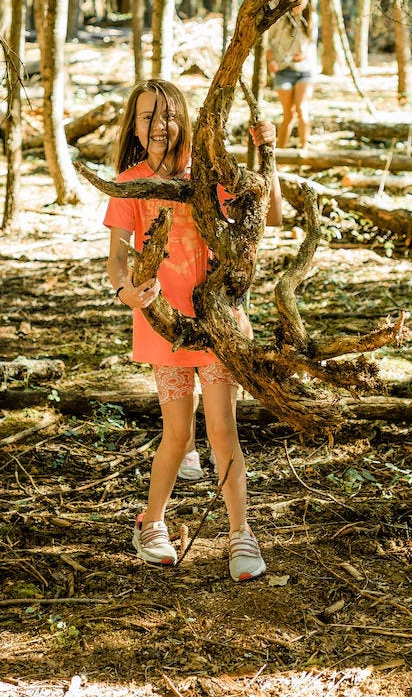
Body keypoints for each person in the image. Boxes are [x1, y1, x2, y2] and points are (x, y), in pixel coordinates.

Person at [105, 78, 282, 581]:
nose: (158, 125)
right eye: (145, 117)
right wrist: (126, 291)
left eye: (166, 114)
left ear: (183, 118)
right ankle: (151, 523)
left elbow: (269, 213)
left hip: (218, 323)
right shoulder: (130, 180)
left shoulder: (208, 172)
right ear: (134, 128)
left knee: (223, 432)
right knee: (178, 433)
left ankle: (240, 534)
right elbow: (118, 258)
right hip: (163, 324)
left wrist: (268, 154)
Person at [265, 0, 316, 149]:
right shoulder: (279, 19)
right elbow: (268, 43)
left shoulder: (311, 19)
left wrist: (304, 55)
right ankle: (281, 152)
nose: (299, 1)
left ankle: (304, 149)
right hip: (283, 70)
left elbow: (312, 44)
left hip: (305, 71)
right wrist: (271, 61)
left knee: (302, 109)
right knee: (288, 114)